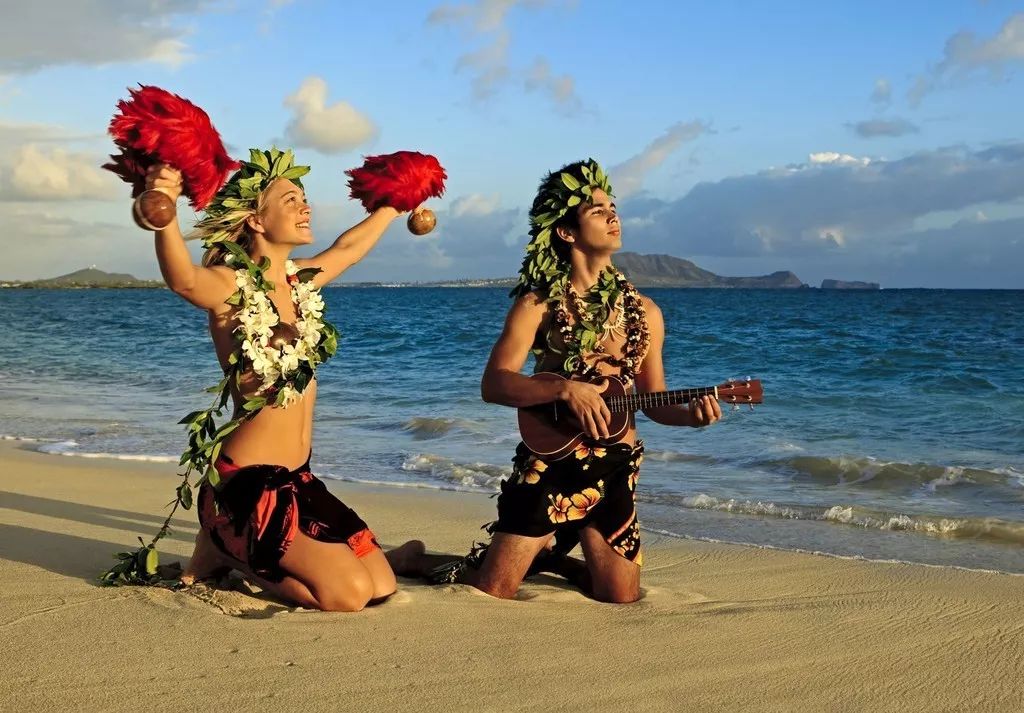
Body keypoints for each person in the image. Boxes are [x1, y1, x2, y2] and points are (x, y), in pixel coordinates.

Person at [146, 148, 426, 611]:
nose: (306, 207)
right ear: (256, 221)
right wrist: (164, 213)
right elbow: (183, 280)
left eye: (304, 199)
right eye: (292, 200)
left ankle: (237, 551)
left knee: (380, 585)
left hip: (299, 480)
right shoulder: (231, 286)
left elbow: (349, 249)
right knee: (348, 596)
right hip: (248, 485)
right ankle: (225, 550)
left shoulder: (300, 283)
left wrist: (396, 202)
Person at [452, 159, 722, 603]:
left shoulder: (647, 314)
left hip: (616, 465)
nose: (613, 215)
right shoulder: (538, 304)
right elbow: (494, 383)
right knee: (493, 589)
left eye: (612, 206)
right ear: (566, 232)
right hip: (552, 460)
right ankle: (416, 560)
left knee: (620, 596)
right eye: (597, 210)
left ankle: (554, 557)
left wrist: (692, 417)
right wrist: (563, 388)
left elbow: (653, 402)